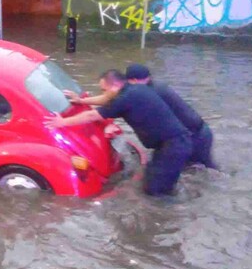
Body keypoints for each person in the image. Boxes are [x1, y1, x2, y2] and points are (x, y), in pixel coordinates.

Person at [44, 69, 192, 196]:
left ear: (115, 86)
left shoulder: (124, 99)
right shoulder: (135, 90)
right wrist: (82, 101)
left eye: (104, 89)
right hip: (174, 144)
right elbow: (106, 99)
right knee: (154, 184)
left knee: (155, 193)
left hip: (174, 146)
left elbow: (91, 116)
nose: (103, 93)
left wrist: (61, 122)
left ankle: (166, 223)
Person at [65, 64, 216, 169]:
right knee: (196, 170)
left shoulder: (145, 92)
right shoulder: (146, 89)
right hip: (193, 134)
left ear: (134, 81)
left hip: (194, 136)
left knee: (198, 169)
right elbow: (110, 98)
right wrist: (81, 100)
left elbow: (110, 100)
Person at [125, 64, 216, 169]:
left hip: (193, 137)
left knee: (194, 170)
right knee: (203, 170)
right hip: (201, 132)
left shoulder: (148, 93)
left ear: (133, 80)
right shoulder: (157, 86)